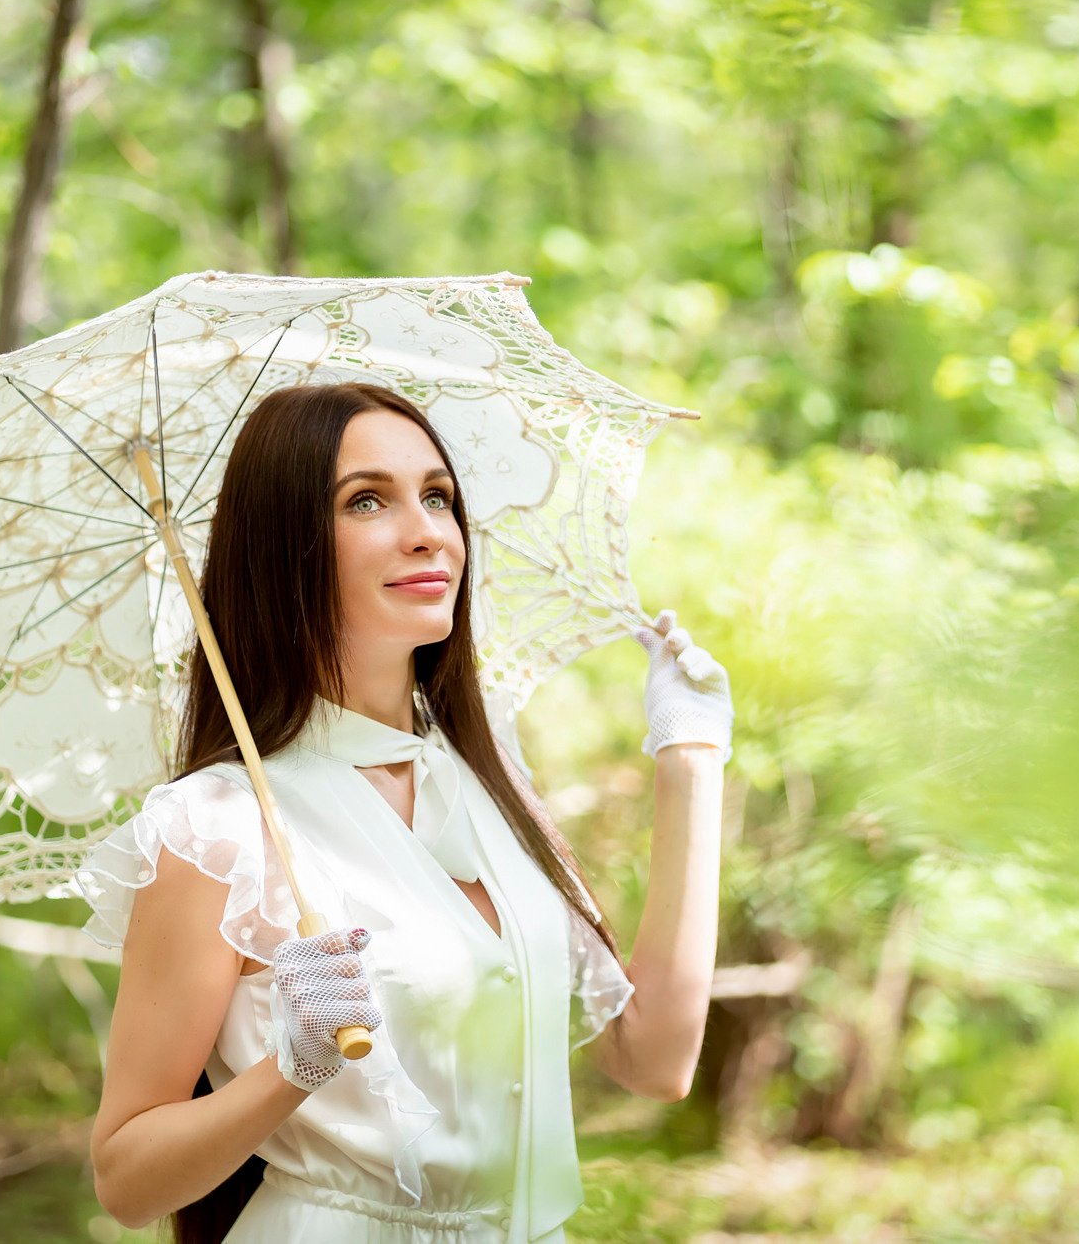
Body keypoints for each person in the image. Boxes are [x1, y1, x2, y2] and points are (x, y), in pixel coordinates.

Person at [79, 381, 732, 1243]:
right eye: (366, 501)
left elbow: (655, 1058)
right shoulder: (217, 828)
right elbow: (126, 1177)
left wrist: (690, 757)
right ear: (287, 548)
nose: (427, 530)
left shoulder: (492, 784)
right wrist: (294, 1064)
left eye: (437, 496)